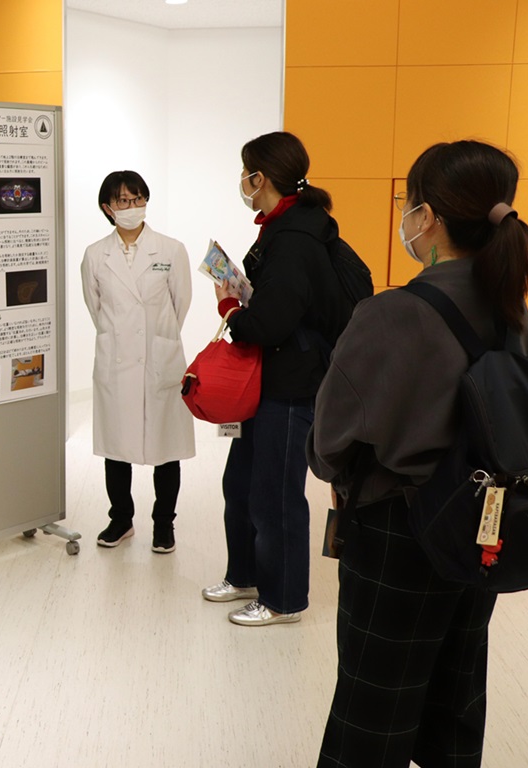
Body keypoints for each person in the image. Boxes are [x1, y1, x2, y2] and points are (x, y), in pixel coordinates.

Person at [307, 140, 528, 767]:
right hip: (485, 525)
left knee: (375, 703)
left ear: (428, 216)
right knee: (456, 693)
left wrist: (335, 468)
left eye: (408, 205)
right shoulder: (513, 312)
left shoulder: (393, 313)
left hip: (399, 532)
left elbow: (329, 441)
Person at [202, 132, 350, 626]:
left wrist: (231, 307)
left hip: (291, 384)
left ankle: (283, 599)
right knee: (241, 483)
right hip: (265, 378)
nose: (242, 181)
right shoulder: (286, 225)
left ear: (259, 177)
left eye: (245, 172)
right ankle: (245, 574)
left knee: (276, 495)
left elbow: (271, 323)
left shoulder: (294, 238)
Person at [81, 170, 194, 553]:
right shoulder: (95, 255)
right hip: (117, 363)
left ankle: (164, 524)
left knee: (167, 448)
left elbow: (180, 304)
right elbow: (96, 308)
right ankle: (121, 519)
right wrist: (123, 340)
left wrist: (156, 340)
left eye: (138, 198)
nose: (132, 206)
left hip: (161, 360)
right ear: (108, 208)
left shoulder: (171, 250)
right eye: (123, 201)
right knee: (117, 447)